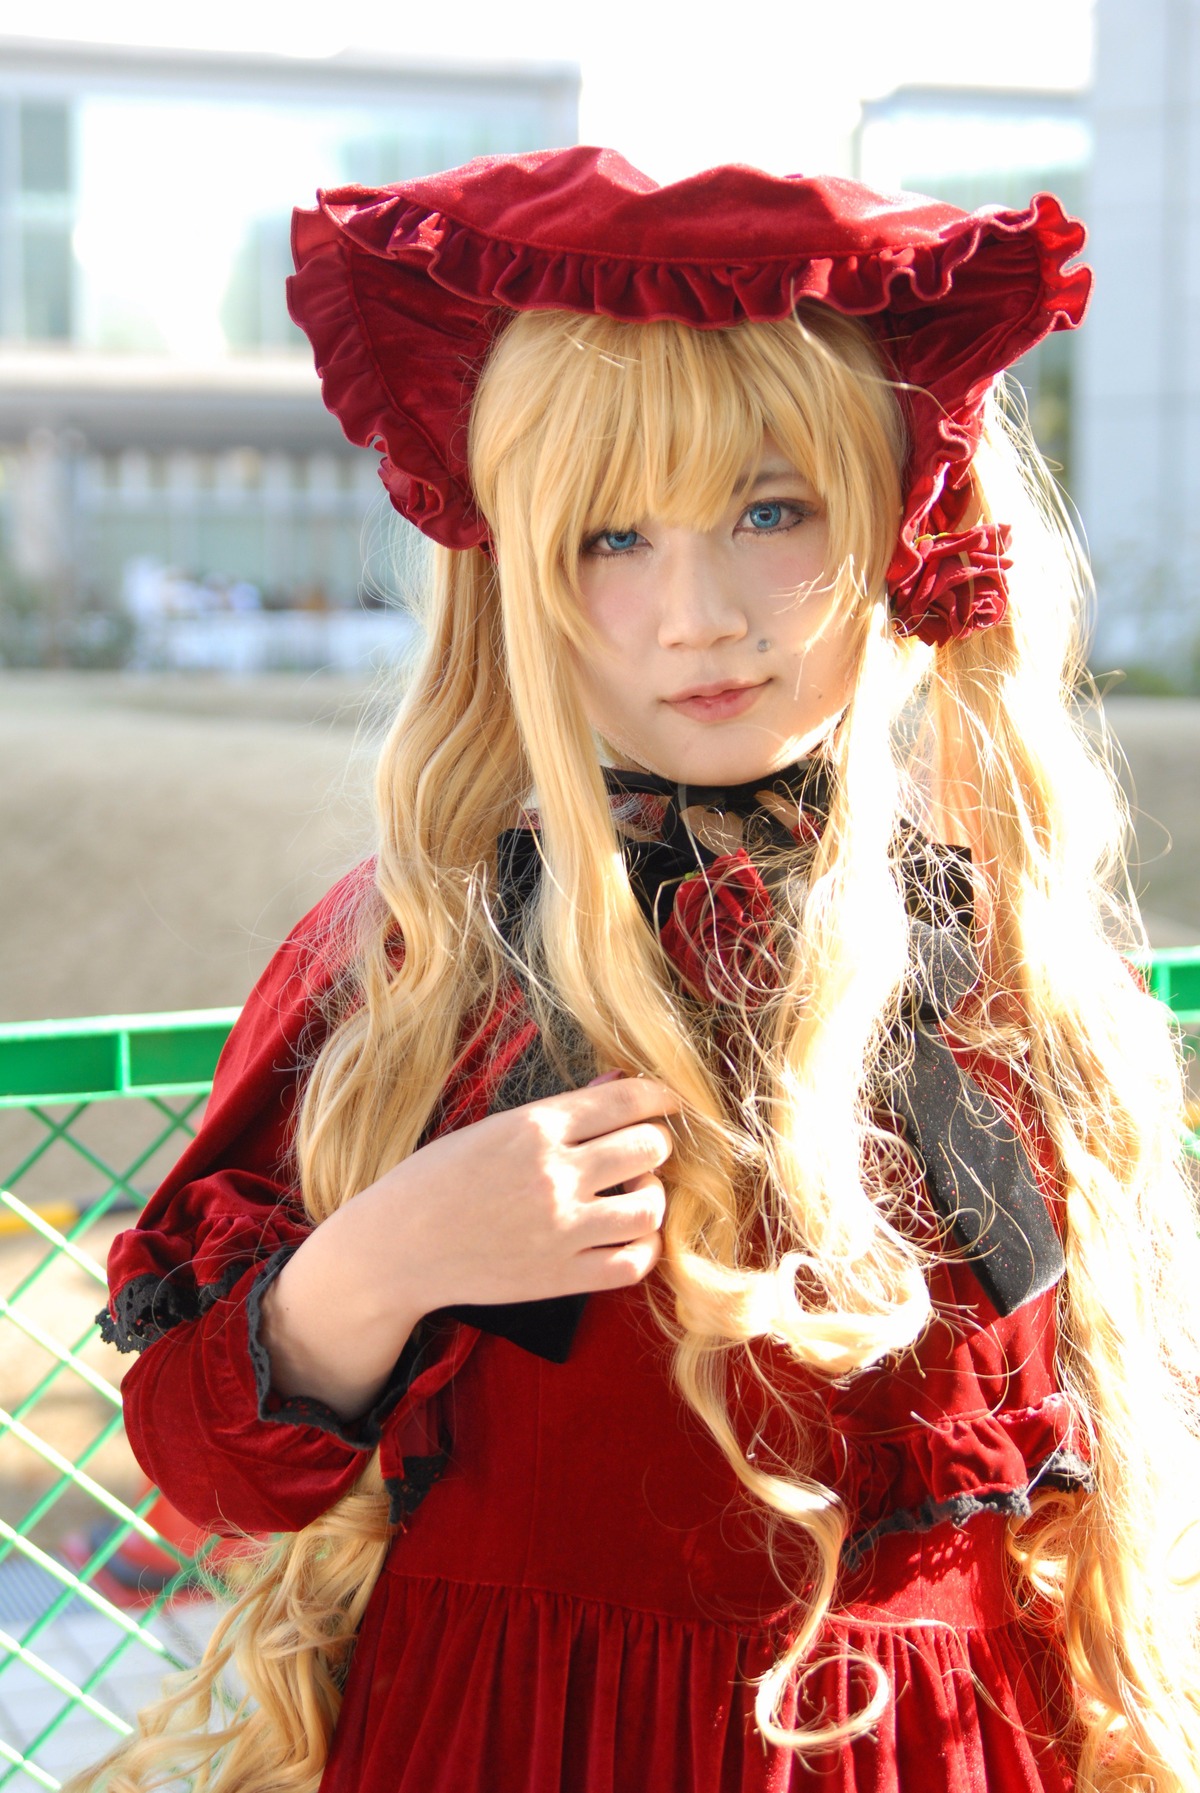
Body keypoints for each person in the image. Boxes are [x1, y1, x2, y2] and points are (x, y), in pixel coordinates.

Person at [73, 148, 1200, 1792]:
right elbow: (203, 1459)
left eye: (769, 512)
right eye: (612, 536)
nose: (699, 618)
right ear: (516, 573)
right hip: (515, 1744)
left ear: (903, 512)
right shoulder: (422, 953)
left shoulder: (998, 955)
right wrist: (383, 1259)